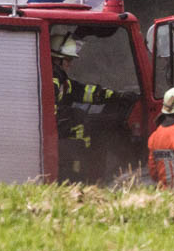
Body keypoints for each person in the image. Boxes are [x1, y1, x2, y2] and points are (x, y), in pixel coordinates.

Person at [50, 30, 137, 182]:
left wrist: (116, 96)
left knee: (90, 123)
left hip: (60, 131)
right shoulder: (53, 81)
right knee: (86, 130)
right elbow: (48, 111)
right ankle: (80, 178)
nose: (70, 64)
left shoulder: (63, 81)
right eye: (68, 60)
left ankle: (86, 177)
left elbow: (85, 92)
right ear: (56, 60)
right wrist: (73, 115)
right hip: (57, 134)